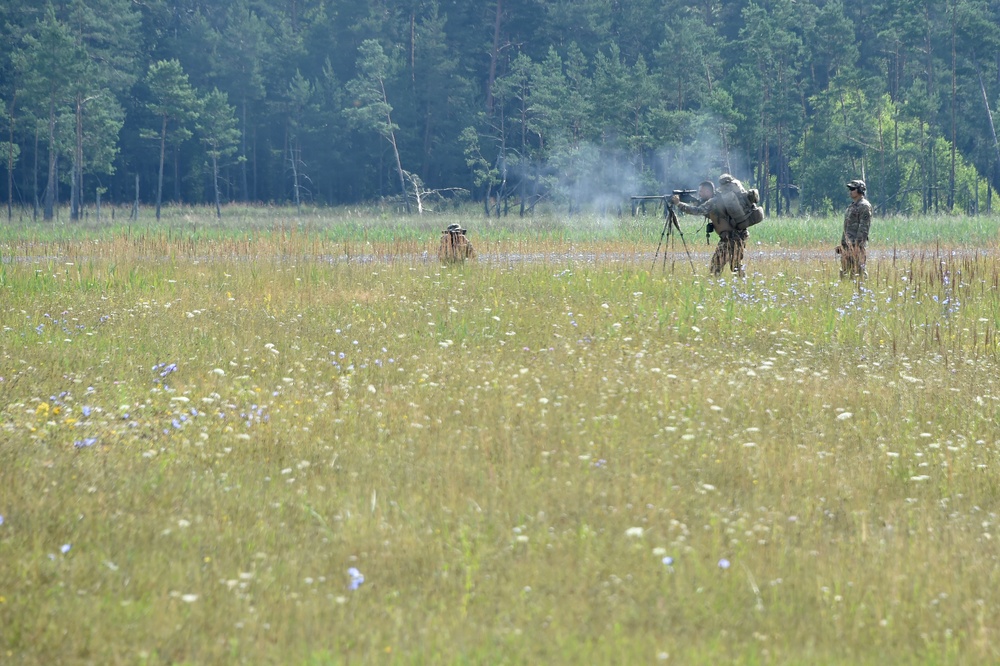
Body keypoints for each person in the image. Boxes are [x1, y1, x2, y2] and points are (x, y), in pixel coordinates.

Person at [672, 177, 748, 276]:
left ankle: (715, 286)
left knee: (715, 266)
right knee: (735, 266)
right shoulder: (718, 200)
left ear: (708, 191)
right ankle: (744, 285)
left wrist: (678, 204)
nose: (699, 194)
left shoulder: (713, 201)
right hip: (739, 236)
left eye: (701, 191)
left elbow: (697, 211)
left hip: (731, 238)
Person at [839, 179, 872, 279]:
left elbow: (864, 228)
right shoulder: (851, 206)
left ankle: (861, 292)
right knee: (844, 272)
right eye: (850, 189)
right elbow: (847, 227)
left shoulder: (864, 206)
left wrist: (857, 245)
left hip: (857, 246)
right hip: (847, 246)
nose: (851, 191)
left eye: (853, 189)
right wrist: (843, 244)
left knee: (859, 272)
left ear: (860, 190)